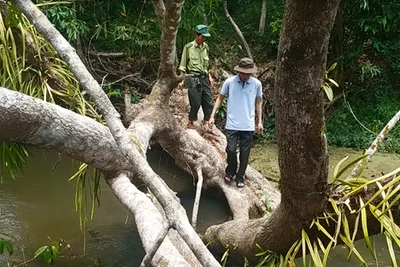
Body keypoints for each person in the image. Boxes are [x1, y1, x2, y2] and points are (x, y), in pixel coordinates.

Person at [209, 58, 263, 188]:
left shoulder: (256, 84)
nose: (245, 76)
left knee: (245, 154)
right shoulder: (230, 82)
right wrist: (212, 115)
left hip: (248, 124)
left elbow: (258, 102)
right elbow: (220, 98)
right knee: (231, 150)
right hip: (232, 123)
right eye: (243, 73)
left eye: (247, 73)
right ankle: (230, 171)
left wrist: (259, 121)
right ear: (239, 71)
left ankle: (240, 176)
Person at [178, 24, 214, 129]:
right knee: (195, 102)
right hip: (192, 76)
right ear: (196, 35)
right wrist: (181, 80)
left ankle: (206, 121)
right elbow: (183, 64)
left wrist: (209, 76)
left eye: (205, 37)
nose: (203, 39)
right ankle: (191, 121)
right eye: (202, 36)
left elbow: (206, 65)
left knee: (208, 101)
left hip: (204, 76)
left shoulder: (206, 47)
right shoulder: (188, 47)